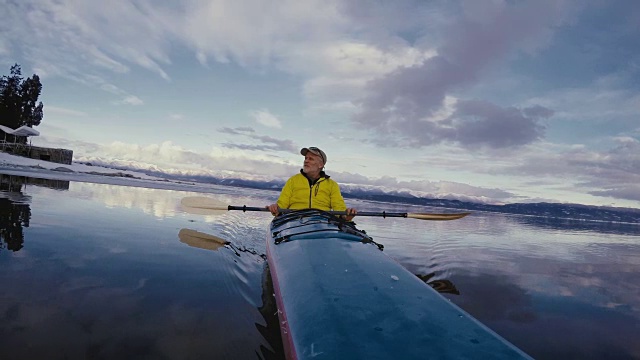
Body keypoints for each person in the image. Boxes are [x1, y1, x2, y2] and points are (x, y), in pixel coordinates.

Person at [268, 146, 357, 221]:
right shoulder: (293, 180)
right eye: (306, 158)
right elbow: (282, 203)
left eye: (311, 159)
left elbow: (339, 207)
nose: (306, 161)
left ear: (320, 165)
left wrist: (346, 216)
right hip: (294, 220)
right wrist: (276, 208)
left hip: (322, 222)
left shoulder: (332, 185)